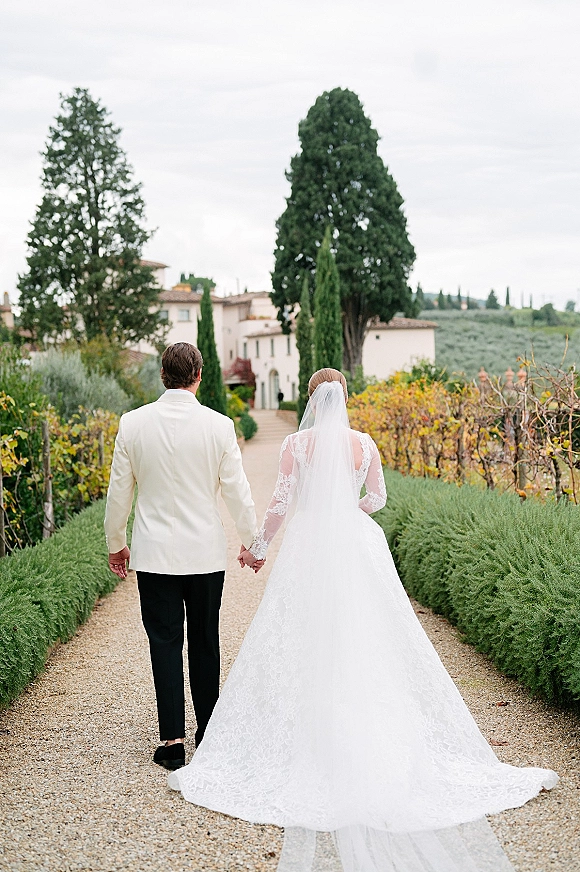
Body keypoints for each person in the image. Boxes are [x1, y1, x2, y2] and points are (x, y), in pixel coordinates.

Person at [168, 368, 558, 872]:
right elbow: (378, 500)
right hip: (356, 543)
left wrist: (257, 547)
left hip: (310, 545)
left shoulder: (296, 445)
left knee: (303, 638)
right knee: (369, 639)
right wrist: (345, 508)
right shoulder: (365, 443)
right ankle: (366, 729)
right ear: (345, 398)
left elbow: (281, 505)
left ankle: (313, 732)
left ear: (311, 400)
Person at [104, 342, 260, 772]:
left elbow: (120, 492)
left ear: (162, 376)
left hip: (154, 556)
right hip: (205, 554)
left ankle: (172, 741)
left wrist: (116, 542)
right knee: (206, 640)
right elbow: (237, 491)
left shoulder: (132, 424)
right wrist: (253, 541)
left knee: (165, 643)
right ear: (199, 376)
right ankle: (207, 732)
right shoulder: (219, 426)